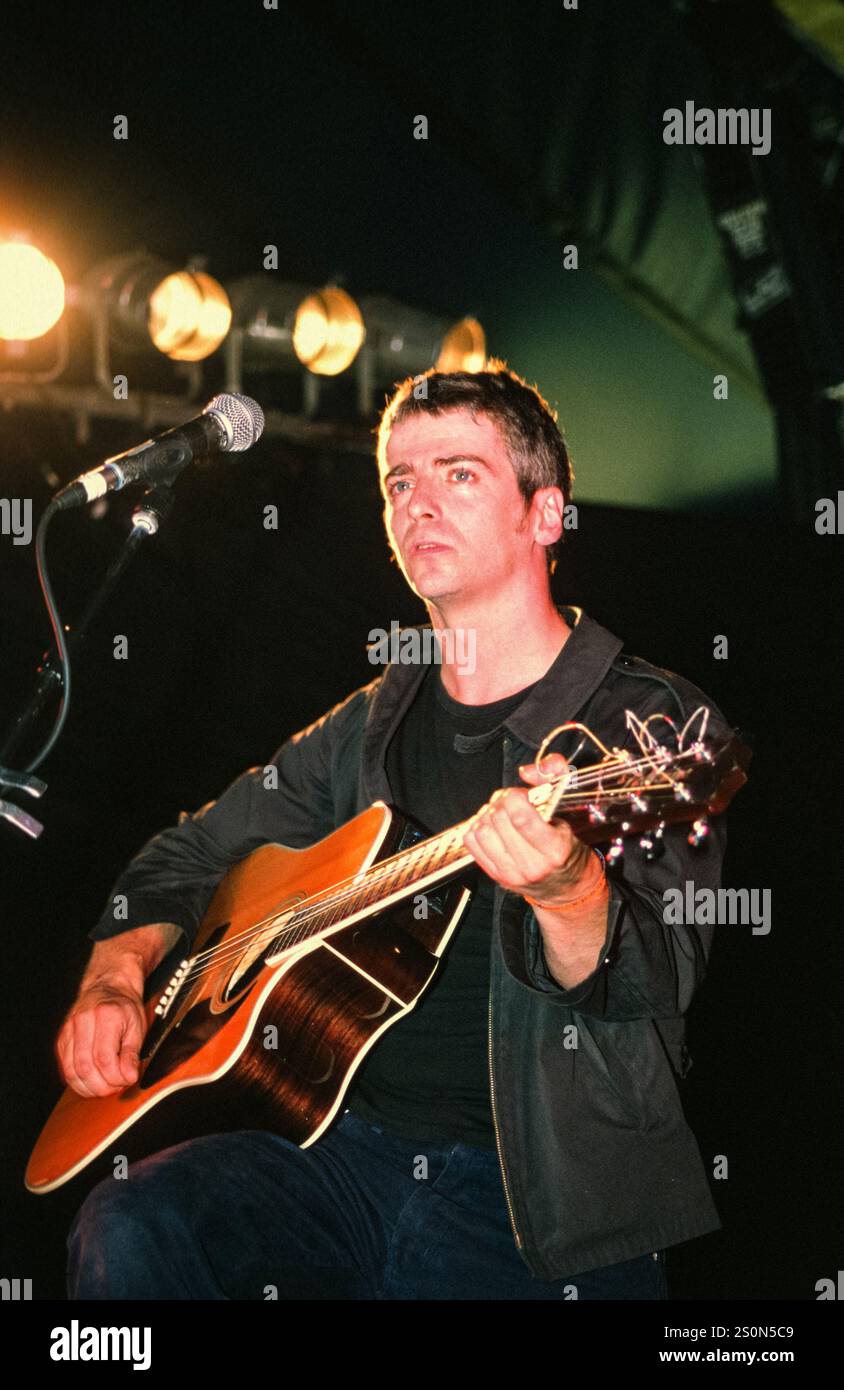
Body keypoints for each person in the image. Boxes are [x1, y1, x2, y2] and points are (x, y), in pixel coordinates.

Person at [59, 362, 731, 1300]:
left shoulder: (648, 730)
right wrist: (115, 979)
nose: (418, 503)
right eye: (399, 482)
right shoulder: (371, 720)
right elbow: (184, 854)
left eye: (459, 474)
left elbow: (658, 977)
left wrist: (568, 891)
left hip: (546, 1204)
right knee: (134, 1222)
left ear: (546, 515)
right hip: (339, 1158)